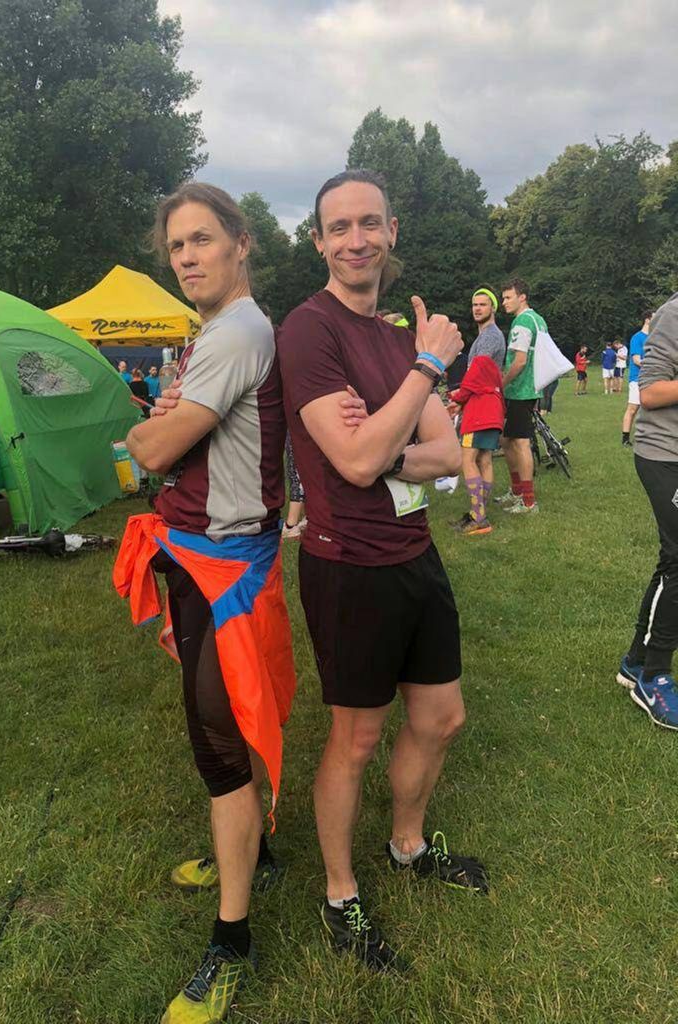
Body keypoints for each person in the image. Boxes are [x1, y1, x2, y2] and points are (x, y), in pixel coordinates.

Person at [277, 168, 488, 974]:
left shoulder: (398, 334)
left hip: (415, 555)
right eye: (339, 227)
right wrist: (426, 372)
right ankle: (340, 895)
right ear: (318, 241)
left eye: (370, 223)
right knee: (357, 736)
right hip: (348, 566)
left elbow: (444, 453)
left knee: (442, 718)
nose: (356, 240)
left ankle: (407, 845)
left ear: (392, 230)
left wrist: (389, 437)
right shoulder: (310, 331)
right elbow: (355, 462)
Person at [114, 183, 298, 1024]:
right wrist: (167, 422)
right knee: (226, 720)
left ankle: (232, 943)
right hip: (200, 557)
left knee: (219, 746)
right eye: (177, 246)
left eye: (201, 240)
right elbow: (182, 433)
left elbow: (154, 449)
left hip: (228, 570)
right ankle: (251, 853)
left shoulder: (236, 331)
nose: (186, 258)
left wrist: (148, 432)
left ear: (241, 242)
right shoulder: (218, 331)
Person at [616, 293, 678, 729]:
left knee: (672, 558)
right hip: (663, 455)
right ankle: (654, 677)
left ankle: (636, 661)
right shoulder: (673, 314)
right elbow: (650, 392)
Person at [496, 278, 544, 513]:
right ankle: (517, 491)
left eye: (508, 297)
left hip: (520, 390)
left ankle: (528, 500)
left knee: (521, 442)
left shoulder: (522, 322)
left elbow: (520, 361)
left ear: (522, 297)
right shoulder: (538, 319)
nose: (504, 302)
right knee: (507, 440)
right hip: (529, 389)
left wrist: (501, 384)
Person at [448, 354, 506, 536]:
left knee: (468, 460)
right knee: (485, 461)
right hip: (495, 418)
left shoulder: (478, 361)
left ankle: (478, 517)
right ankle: (478, 512)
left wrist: (456, 398)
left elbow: (466, 388)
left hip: (477, 419)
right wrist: (461, 405)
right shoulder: (493, 380)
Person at [622, 313, 652, 447]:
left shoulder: (654, 337)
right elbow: (636, 360)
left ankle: (647, 438)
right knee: (633, 409)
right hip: (637, 378)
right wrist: (655, 365)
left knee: (650, 409)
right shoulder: (637, 337)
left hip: (651, 378)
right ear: (647, 320)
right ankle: (625, 439)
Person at [468, 287, 506, 367]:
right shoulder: (484, 335)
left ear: (493, 308)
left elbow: (477, 369)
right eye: (475, 305)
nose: (477, 308)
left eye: (483, 305)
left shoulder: (491, 335)